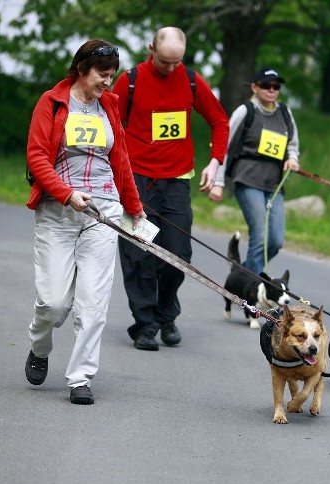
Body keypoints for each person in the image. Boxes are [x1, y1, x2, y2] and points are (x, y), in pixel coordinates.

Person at [24, 40, 146, 405]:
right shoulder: (52, 102)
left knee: (93, 303)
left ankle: (80, 378)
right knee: (54, 303)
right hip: (59, 212)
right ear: (81, 69)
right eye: (101, 75)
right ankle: (39, 346)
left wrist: (134, 208)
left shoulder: (108, 106)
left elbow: (120, 158)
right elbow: (36, 157)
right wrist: (66, 193)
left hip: (103, 213)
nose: (107, 83)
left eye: (111, 76)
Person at [112, 27, 229, 351]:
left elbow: (220, 122)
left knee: (178, 255)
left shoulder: (191, 80)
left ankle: (167, 314)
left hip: (177, 181)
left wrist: (215, 162)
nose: (169, 69)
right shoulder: (130, 80)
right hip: (137, 180)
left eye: (175, 63)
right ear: (151, 49)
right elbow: (112, 124)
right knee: (139, 254)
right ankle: (145, 324)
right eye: (164, 62)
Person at [212, 67, 300, 275]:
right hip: (248, 180)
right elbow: (225, 145)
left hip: (274, 184)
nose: (271, 90)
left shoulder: (285, 113)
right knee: (259, 238)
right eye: (266, 85)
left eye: (276, 86)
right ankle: (253, 291)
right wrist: (218, 182)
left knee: (276, 240)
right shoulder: (245, 111)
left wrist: (292, 158)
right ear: (254, 87)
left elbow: (293, 145)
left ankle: (245, 275)